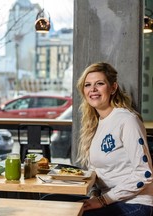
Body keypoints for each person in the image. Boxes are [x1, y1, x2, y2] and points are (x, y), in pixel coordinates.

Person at [76, 62, 153, 215]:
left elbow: (145, 174)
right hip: (110, 201)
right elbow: (97, 171)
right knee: (51, 200)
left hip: (134, 204)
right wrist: (94, 195)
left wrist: (102, 200)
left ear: (113, 88)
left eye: (99, 83)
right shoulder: (97, 124)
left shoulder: (127, 120)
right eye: (88, 85)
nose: (93, 89)